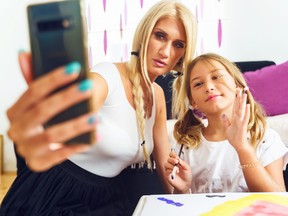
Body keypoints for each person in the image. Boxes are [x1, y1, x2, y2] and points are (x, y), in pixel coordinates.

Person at [1, 1, 197, 215]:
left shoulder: (158, 96)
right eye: (160, 36)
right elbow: (69, 112)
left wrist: (182, 189)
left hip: (104, 199)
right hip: (56, 191)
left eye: (178, 44)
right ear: (144, 34)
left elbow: (165, 170)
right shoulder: (107, 76)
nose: (166, 51)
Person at [164, 53, 288, 194]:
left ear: (238, 86)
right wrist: (183, 189)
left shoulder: (266, 139)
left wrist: (242, 147)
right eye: (198, 84)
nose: (209, 87)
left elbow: (276, 201)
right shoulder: (187, 145)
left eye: (216, 77)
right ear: (193, 102)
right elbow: (181, 206)